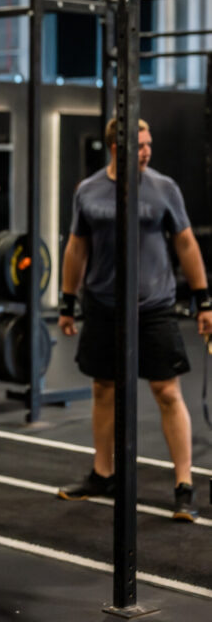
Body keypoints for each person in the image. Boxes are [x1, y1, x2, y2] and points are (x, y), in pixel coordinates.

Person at [57, 116, 212, 521]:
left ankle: (184, 485)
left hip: (154, 306)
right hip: (103, 306)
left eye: (149, 143)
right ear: (117, 147)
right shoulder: (88, 191)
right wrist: (67, 302)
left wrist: (204, 301)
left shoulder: (164, 188)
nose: (147, 151)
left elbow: (186, 243)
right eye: (140, 145)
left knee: (167, 391)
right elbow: (76, 248)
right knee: (103, 389)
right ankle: (102, 473)